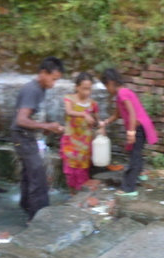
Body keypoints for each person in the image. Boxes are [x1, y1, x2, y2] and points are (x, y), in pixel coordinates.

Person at [10, 56, 65, 220]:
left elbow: (31, 119)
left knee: (30, 174)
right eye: (53, 79)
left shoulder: (40, 89)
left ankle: (26, 206)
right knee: (38, 177)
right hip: (22, 136)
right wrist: (47, 126)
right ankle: (37, 218)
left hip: (27, 136)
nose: (53, 84)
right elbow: (21, 120)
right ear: (43, 73)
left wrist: (46, 128)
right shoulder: (32, 89)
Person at [99, 68, 158, 196]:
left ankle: (129, 188)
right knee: (135, 152)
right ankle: (140, 174)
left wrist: (131, 132)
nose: (107, 90)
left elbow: (131, 113)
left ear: (110, 82)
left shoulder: (122, 93)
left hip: (138, 127)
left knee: (134, 156)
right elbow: (117, 114)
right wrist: (105, 122)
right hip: (140, 126)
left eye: (106, 86)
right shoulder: (122, 95)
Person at [60, 72, 100, 191]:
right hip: (70, 143)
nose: (87, 92)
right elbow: (69, 112)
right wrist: (83, 114)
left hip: (84, 145)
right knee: (70, 173)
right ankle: (72, 195)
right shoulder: (69, 99)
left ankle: (79, 198)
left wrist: (100, 126)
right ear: (77, 87)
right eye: (84, 89)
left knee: (82, 173)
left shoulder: (93, 104)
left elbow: (97, 121)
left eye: (89, 89)